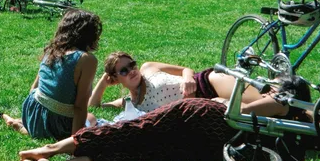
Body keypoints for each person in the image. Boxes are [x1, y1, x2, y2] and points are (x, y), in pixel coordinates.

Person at [18, 76, 311, 161]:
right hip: (212, 142)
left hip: (199, 117)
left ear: (286, 92)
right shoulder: (298, 125)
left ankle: (51, 150)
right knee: (144, 153)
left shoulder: (282, 102)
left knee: (133, 131)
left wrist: (224, 101)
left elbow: (239, 111)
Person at [2, 9, 101, 139]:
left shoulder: (53, 50)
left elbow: (34, 88)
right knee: (91, 118)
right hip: (56, 122)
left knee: (53, 121)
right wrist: (76, 141)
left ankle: (25, 126)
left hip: (33, 111)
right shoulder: (86, 59)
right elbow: (80, 105)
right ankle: (27, 128)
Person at [88, 52, 263, 113]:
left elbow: (185, 70)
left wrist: (187, 79)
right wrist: (103, 82)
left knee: (262, 97)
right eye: (123, 71)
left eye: (131, 65)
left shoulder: (148, 67)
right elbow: (94, 106)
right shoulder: (130, 103)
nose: (131, 71)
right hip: (205, 107)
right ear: (116, 79)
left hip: (207, 84)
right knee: (260, 113)